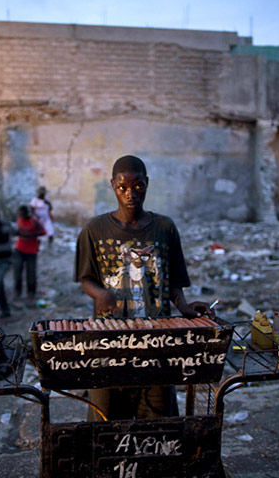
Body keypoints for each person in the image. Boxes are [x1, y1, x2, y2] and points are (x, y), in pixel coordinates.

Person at [74, 155, 214, 421]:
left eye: (137, 186)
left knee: (157, 420)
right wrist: (100, 293)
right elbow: (86, 278)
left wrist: (183, 306)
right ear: (112, 185)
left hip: (157, 340)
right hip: (109, 340)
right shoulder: (94, 229)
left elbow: (172, 280)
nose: (130, 194)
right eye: (122, 187)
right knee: (106, 420)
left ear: (147, 184)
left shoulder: (164, 228)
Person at [12, 205, 45, 303]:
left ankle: (31, 292)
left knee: (31, 273)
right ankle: (17, 292)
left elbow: (43, 232)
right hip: (19, 249)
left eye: (22, 214)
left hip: (31, 250)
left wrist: (31, 235)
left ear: (26, 213)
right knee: (17, 272)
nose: (21, 215)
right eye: (20, 214)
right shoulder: (18, 221)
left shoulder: (34, 221)